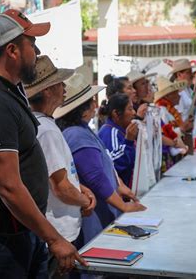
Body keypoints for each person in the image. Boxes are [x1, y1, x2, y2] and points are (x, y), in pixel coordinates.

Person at [0, 9, 86, 278]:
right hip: (5, 239)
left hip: (25, 232)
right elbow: (8, 186)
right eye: (32, 44)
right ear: (12, 50)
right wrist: (54, 238)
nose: (37, 52)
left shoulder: (10, 90)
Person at [55, 73, 146, 247]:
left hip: (104, 210)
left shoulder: (82, 130)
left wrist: (119, 185)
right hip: (96, 217)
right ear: (84, 107)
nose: (95, 104)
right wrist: (123, 206)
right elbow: (95, 177)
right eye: (91, 101)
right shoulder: (77, 135)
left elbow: (105, 164)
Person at [25, 55, 97, 249]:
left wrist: (81, 189)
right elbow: (61, 188)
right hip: (60, 231)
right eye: (59, 83)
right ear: (48, 91)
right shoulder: (46, 130)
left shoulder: (41, 124)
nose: (64, 87)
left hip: (57, 229)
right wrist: (86, 201)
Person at [98, 93, 138, 188]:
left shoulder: (120, 130)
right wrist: (128, 141)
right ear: (116, 113)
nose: (134, 113)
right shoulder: (110, 132)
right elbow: (114, 164)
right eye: (130, 109)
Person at [154, 76, 189, 170]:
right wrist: (181, 129)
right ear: (169, 95)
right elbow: (164, 133)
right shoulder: (162, 110)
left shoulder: (169, 110)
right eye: (176, 93)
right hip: (167, 153)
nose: (179, 95)